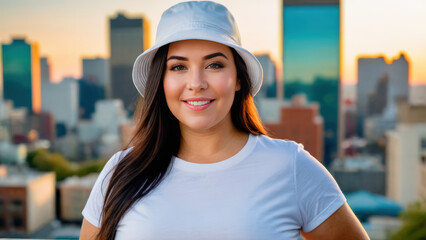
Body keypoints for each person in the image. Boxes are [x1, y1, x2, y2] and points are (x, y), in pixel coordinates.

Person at [80, 1, 369, 239]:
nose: (195, 83)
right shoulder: (120, 173)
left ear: (239, 79)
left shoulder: (291, 167)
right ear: (161, 81)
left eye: (214, 65)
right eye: (178, 66)